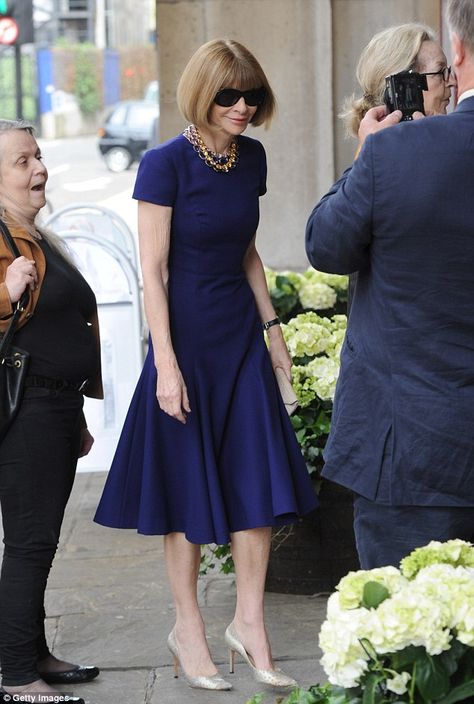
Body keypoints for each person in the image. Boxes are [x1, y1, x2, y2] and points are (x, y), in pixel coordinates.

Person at [95, 39, 317, 691]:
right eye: (227, 95)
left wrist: (273, 328)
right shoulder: (164, 165)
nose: (242, 106)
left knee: (256, 484)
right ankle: (187, 627)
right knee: (188, 488)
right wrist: (164, 363)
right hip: (184, 342)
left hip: (241, 338)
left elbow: (246, 251)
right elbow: (153, 274)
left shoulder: (252, 159)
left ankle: (249, 624)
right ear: (201, 94)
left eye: (252, 95)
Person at [305, 0, 474, 571]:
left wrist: (367, 156)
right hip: (423, 442)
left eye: (447, 74)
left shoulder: (385, 158)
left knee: (404, 640)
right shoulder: (395, 159)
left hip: (408, 450)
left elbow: (325, 247)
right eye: (434, 79)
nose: (446, 87)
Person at [0, 119, 103, 702]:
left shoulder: (31, 233)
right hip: (27, 414)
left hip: (52, 407)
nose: (39, 168)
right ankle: (16, 674)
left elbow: (52, 331)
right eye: (22, 161)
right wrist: (5, 289)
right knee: (30, 541)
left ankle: (31, 651)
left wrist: (78, 413)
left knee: (39, 539)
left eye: (38, 157)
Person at [341, 23, 457, 308]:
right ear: (406, 88)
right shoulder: (377, 167)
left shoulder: (450, 152)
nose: (452, 82)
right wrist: (365, 156)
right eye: (441, 72)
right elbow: (328, 245)